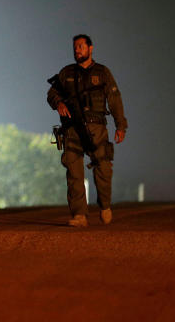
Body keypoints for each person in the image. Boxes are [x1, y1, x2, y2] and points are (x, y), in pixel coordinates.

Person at [47, 34, 127, 227]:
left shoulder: (102, 72)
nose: (77, 50)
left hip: (97, 127)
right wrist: (58, 103)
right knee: (74, 171)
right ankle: (79, 214)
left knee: (104, 168)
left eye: (81, 46)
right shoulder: (66, 73)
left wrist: (120, 125)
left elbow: (114, 99)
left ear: (90, 49)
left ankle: (105, 205)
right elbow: (52, 93)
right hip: (72, 129)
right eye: (75, 47)